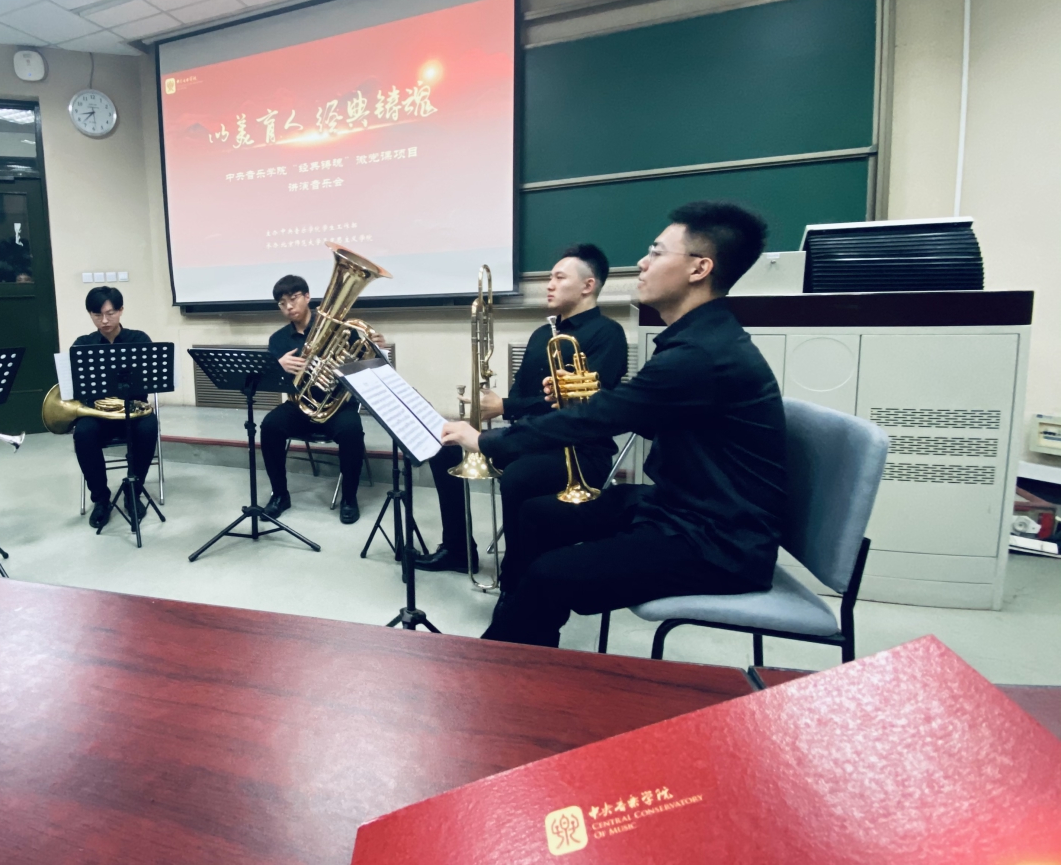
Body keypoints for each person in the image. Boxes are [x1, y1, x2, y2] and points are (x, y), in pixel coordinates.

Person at [441, 202, 786, 647]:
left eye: (656, 252)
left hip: (718, 540)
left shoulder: (700, 354)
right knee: (538, 515)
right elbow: (646, 419)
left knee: (549, 574)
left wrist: (485, 441)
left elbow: (602, 417)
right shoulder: (699, 339)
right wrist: (586, 402)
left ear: (699, 268)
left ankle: (502, 659)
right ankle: (520, 631)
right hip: (678, 506)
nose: (642, 263)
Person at [418, 245, 628, 572]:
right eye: (549, 277)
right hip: (528, 438)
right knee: (445, 447)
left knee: (518, 477)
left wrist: (505, 406)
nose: (549, 284)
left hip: (581, 451)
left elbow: (585, 409)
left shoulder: (608, 334)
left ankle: (516, 575)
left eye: (559, 278)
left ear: (588, 285)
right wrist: (498, 408)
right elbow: (521, 393)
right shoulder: (541, 334)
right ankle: (458, 549)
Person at [260, 274, 368, 525]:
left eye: (293, 298)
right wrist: (278, 366)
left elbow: (363, 364)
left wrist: (372, 348)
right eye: (282, 303)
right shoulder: (278, 340)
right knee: (269, 426)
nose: (288, 306)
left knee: (352, 430)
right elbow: (273, 382)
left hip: (337, 405)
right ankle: (280, 495)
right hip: (300, 405)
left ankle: (349, 498)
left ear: (307, 297)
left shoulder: (339, 329)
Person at [70, 285, 160, 530]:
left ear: (121, 310)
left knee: (149, 426)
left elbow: (149, 382)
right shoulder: (82, 344)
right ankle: (100, 499)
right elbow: (77, 390)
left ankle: (133, 491)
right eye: (97, 314)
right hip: (98, 415)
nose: (104, 320)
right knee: (83, 432)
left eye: (110, 313)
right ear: (90, 314)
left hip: (133, 412)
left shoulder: (139, 340)